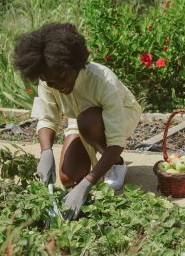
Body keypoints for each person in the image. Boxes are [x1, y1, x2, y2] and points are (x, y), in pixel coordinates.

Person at [13, 23, 142, 220]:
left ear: (74, 64)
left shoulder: (103, 81)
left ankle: (116, 164)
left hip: (120, 115)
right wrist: (46, 152)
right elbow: (47, 118)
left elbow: (116, 140)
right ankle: (96, 161)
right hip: (80, 120)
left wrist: (87, 184)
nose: (58, 86)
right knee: (68, 178)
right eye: (51, 82)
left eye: (62, 78)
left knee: (88, 121)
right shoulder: (48, 78)